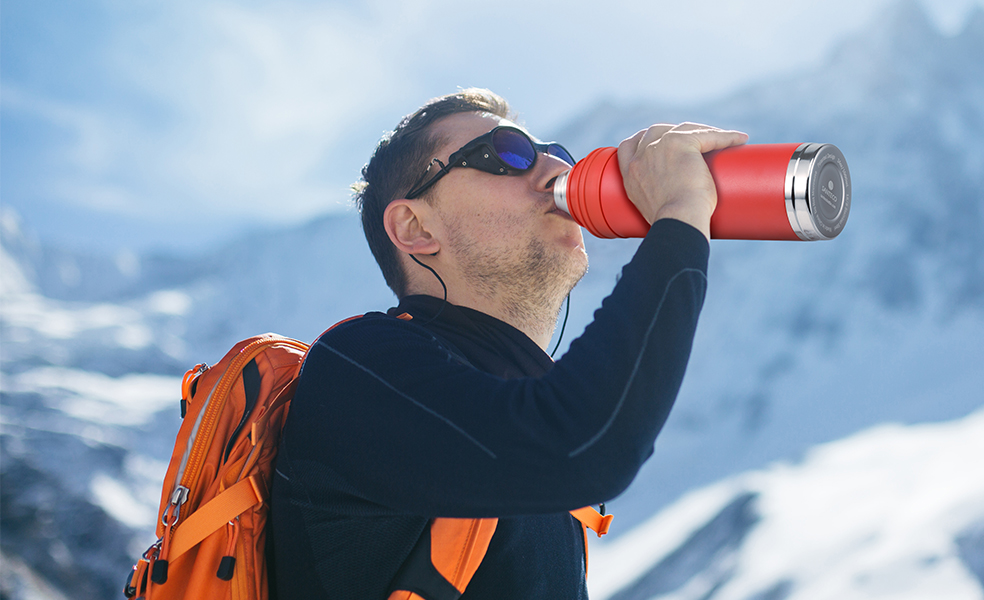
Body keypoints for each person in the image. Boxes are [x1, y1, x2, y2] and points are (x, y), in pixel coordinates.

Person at [269, 88, 746, 599]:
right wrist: (679, 215)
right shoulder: (358, 369)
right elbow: (583, 446)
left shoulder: (520, 413)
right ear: (415, 227)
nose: (554, 171)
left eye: (557, 155)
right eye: (507, 152)